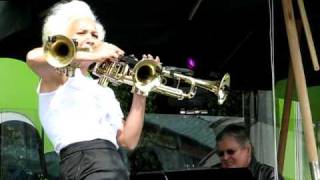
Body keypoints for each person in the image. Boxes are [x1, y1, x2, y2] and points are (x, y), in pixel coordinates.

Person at [26, 0, 159, 179]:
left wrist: (141, 91)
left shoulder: (104, 90)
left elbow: (128, 140)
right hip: (82, 162)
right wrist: (95, 55)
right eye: (82, 33)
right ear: (64, 39)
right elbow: (33, 57)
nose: (90, 38)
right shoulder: (60, 75)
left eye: (95, 35)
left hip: (115, 165)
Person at [213, 124, 284, 180]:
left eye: (231, 152)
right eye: (221, 154)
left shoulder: (269, 175)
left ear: (248, 150)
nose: (225, 157)